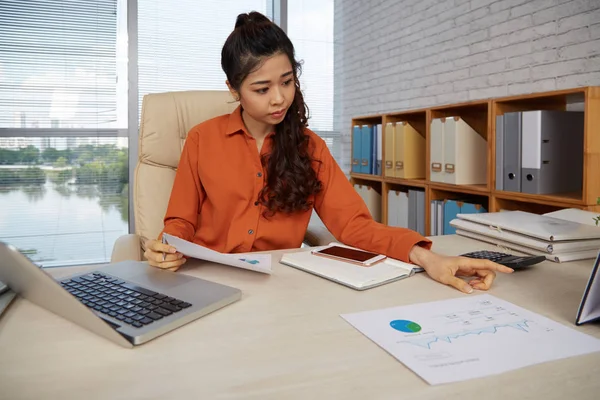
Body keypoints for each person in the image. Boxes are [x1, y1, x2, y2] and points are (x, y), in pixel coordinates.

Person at [143, 11, 513, 294]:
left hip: (278, 287)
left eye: (287, 82)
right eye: (261, 88)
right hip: (208, 280)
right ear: (233, 88)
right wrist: (167, 245)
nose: (279, 98)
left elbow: (354, 225)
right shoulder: (202, 139)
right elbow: (181, 220)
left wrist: (427, 256)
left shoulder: (310, 147)